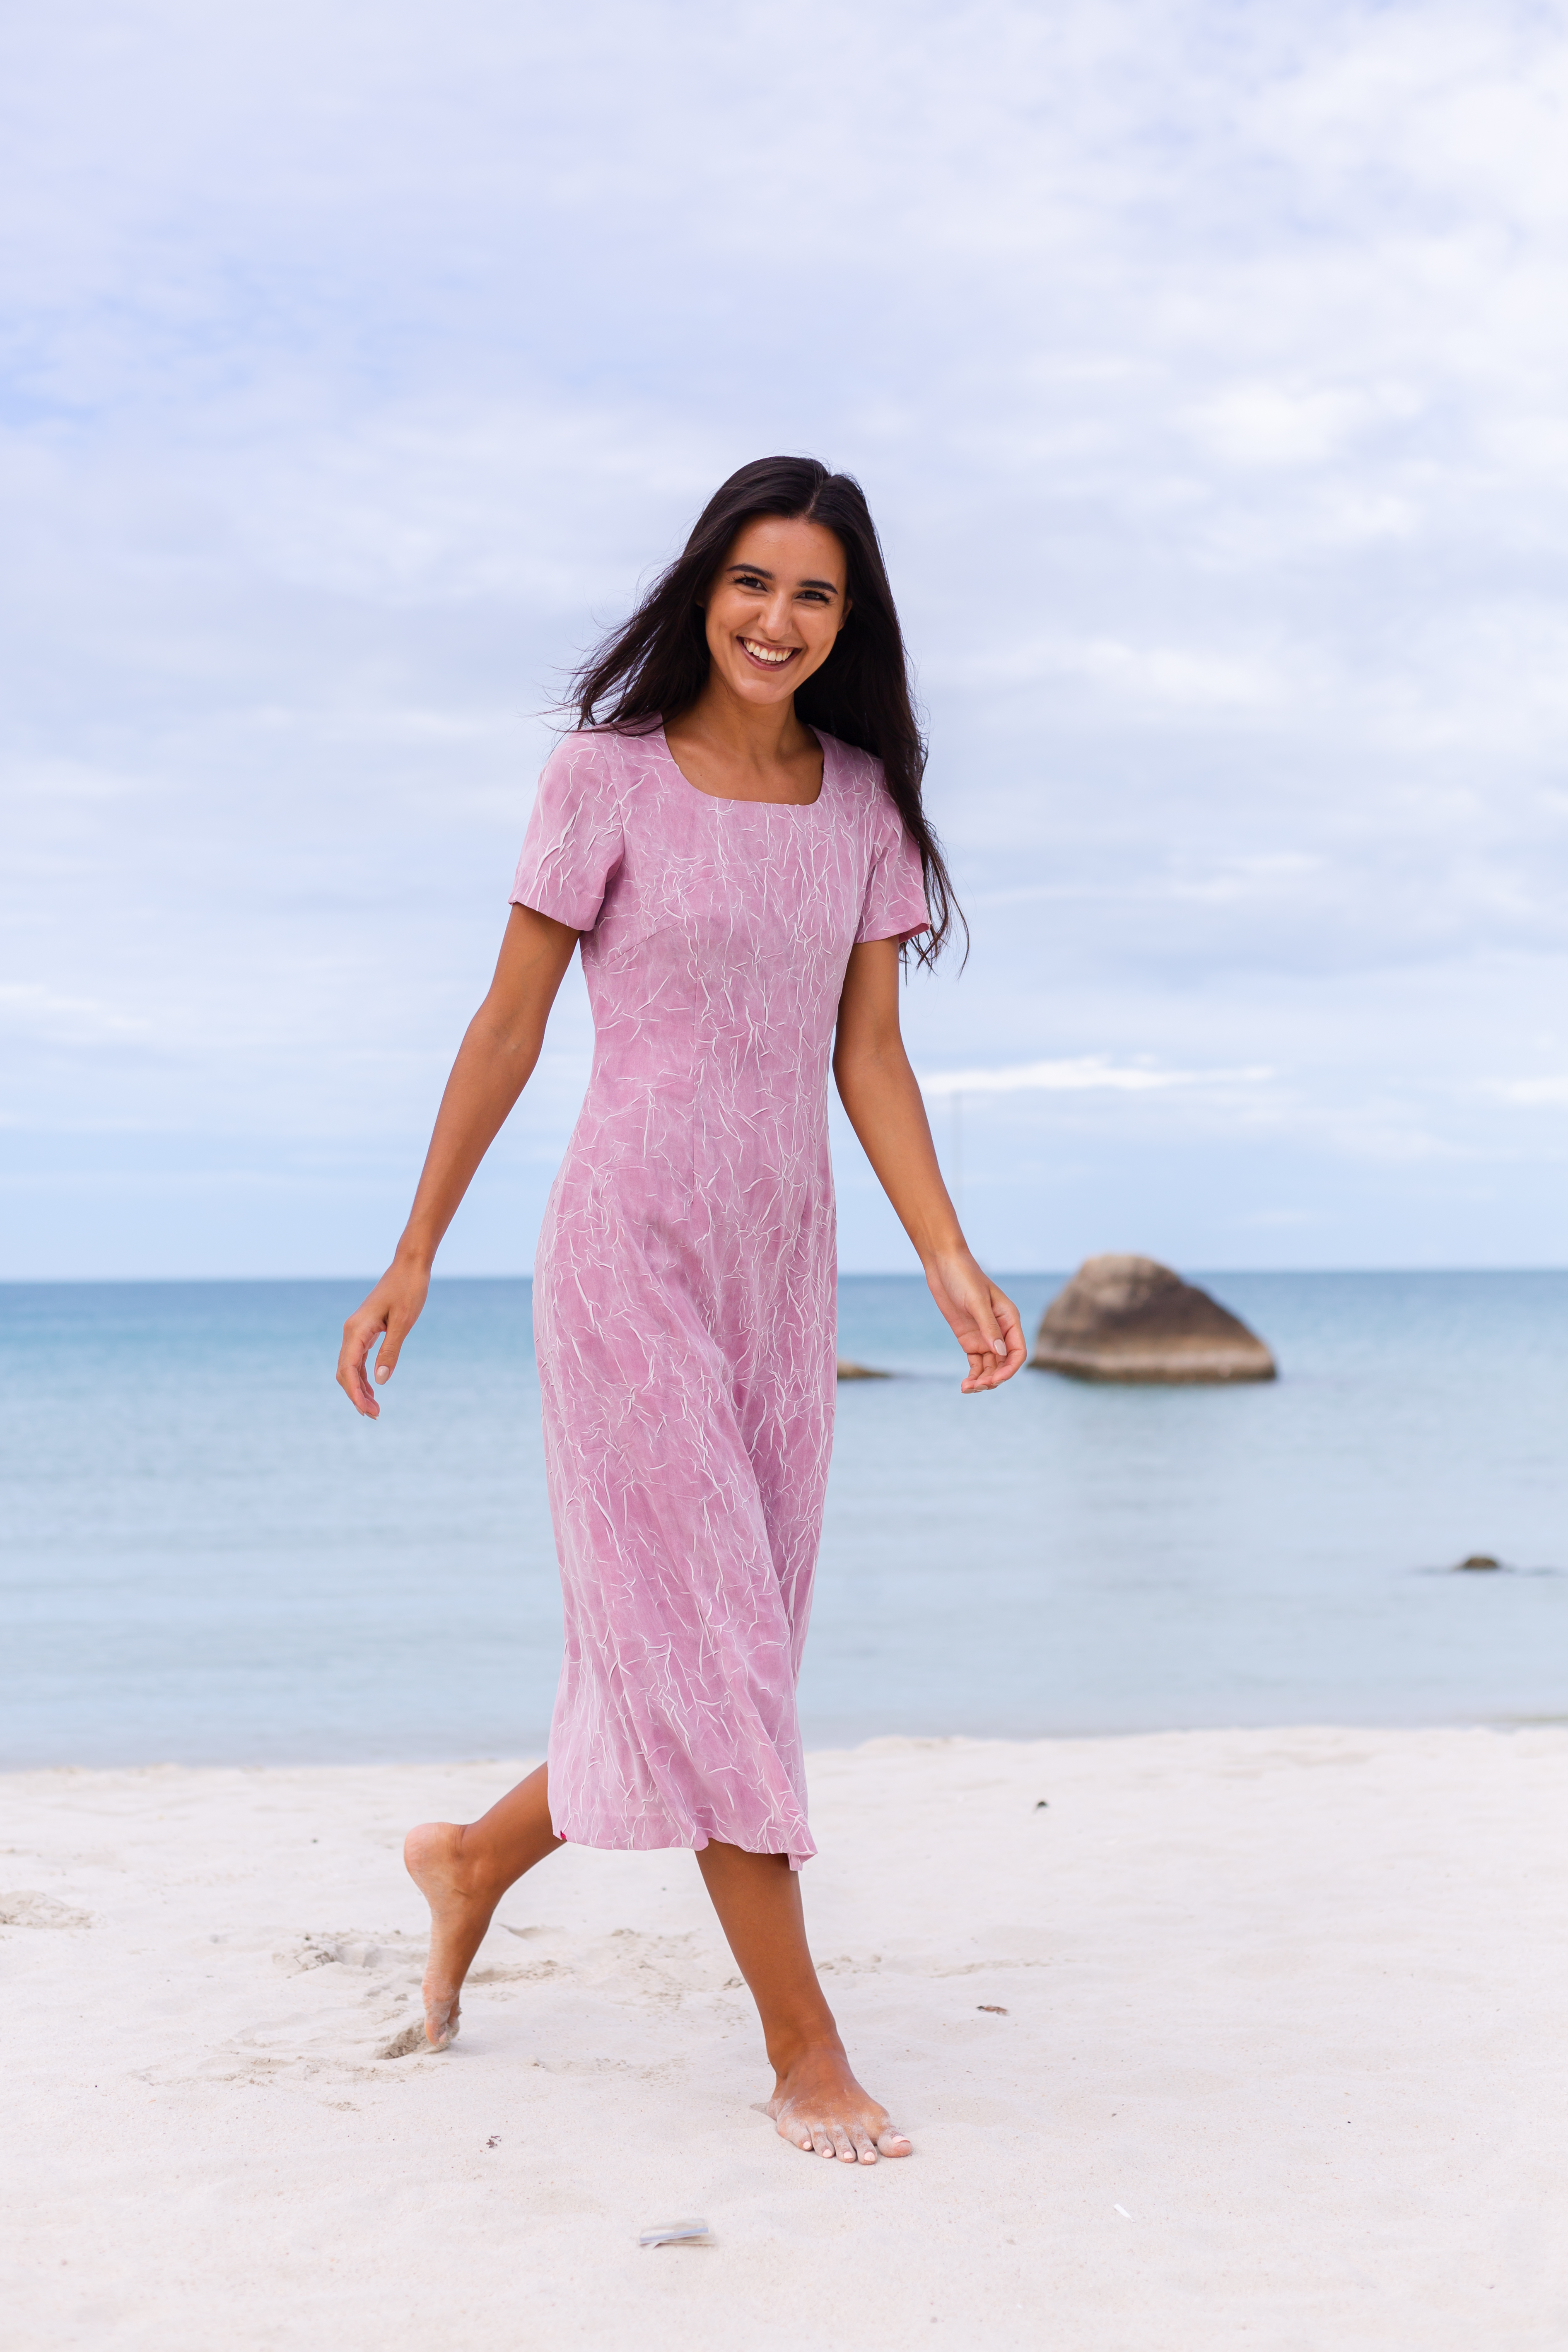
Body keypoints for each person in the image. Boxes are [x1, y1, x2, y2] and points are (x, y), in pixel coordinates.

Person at [335, 455, 1025, 2166]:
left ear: (846, 620)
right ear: (700, 587)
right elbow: (507, 1025)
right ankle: (803, 2050)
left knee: (713, 1656)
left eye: (812, 593)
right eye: (750, 582)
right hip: (626, 1254)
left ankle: (472, 1859)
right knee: (714, 1658)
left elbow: (867, 1055)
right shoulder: (603, 778)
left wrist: (944, 1256)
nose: (774, 619)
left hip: (781, 1270)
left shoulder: (861, 803)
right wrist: (417, 1243)